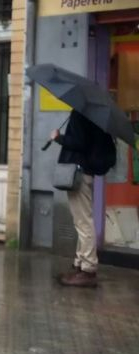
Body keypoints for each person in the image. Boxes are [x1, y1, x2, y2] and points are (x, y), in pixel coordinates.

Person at [52, 110, 117, 288]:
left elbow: (79, 142)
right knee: (81, 220)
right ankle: (80, 264)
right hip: (84, 173)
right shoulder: (91, 115)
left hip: (79, 174)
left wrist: (59, 138)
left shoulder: (81, 113)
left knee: (83, 222)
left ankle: (88, 269)